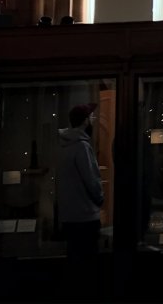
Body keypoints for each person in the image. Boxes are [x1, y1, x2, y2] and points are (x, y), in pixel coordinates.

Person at [56, 102, 104, 297]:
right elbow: (91, 180)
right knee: (88, 270)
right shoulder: (83, 147)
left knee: (74, 267)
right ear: (85, 121)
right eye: (91, 117)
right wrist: (100, 199)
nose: (93, 119)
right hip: (85, 217)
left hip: (69, 216)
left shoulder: (65, 145)